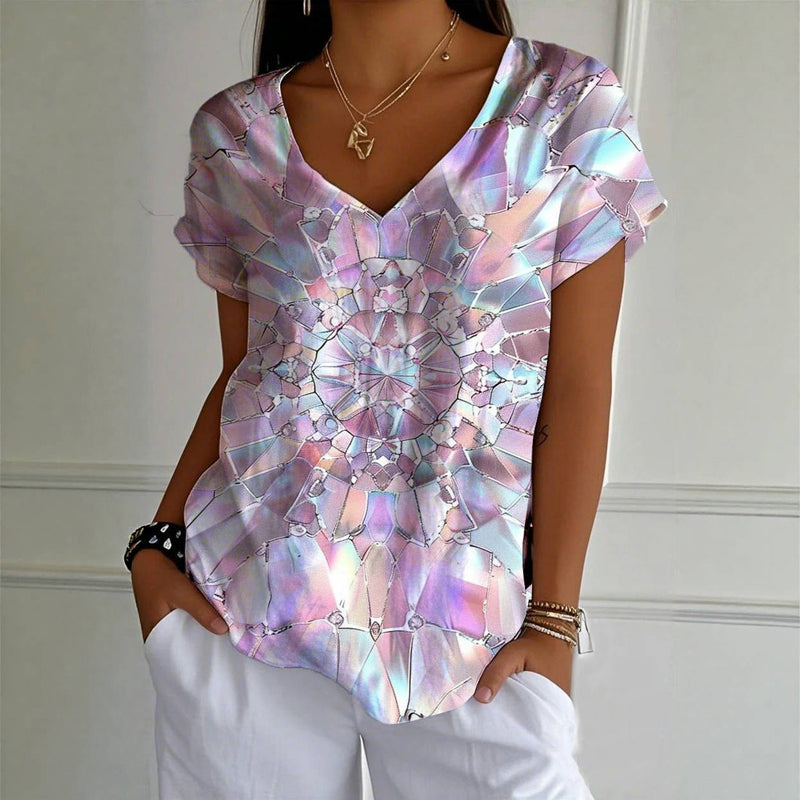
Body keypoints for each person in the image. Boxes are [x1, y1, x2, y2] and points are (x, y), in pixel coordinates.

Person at [126, 1, 668, 797]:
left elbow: (579, 386)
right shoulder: (237, 135)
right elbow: (250, 371)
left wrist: (555, 615)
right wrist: (156, 547)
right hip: (247, 608)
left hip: (475, 630)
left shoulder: (563, 107)